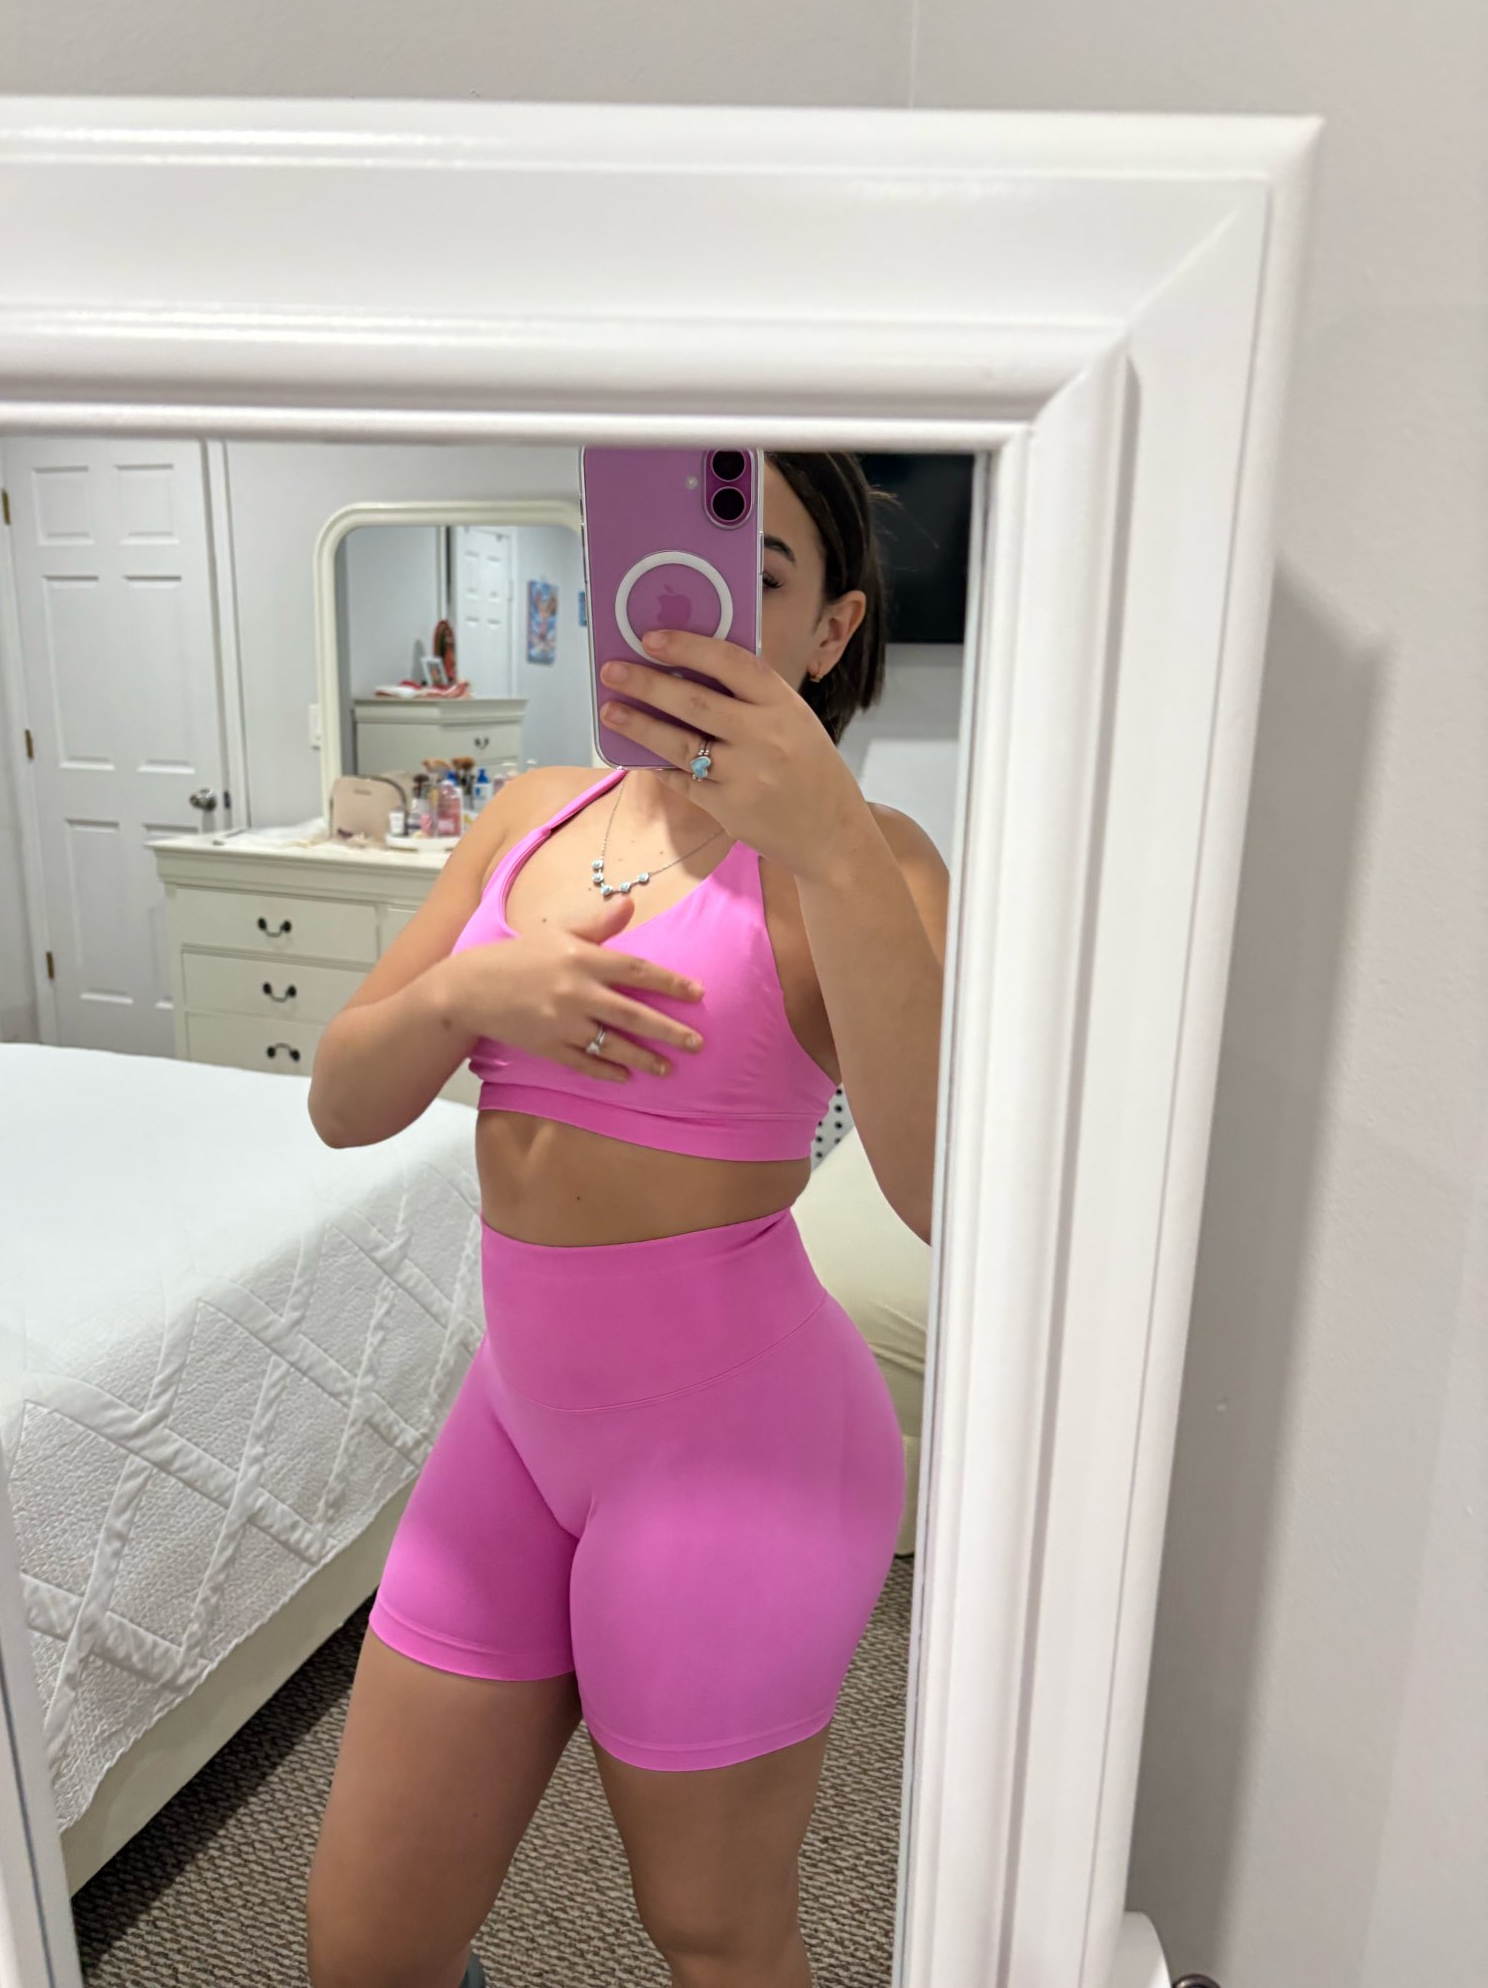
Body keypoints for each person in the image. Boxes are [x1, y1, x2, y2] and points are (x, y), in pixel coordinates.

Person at [304, 452, 950, 1988]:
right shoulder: (531, 812)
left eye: (757, 578)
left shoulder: (877, 863)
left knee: (714, 1936)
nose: (683, 615)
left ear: (832, 629)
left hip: (741, 1450)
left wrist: (829, 838)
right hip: (516, 1425)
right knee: (364, 1944)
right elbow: (341, 1098)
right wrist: (471, 994)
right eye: (654, 565)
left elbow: (945, 1191)